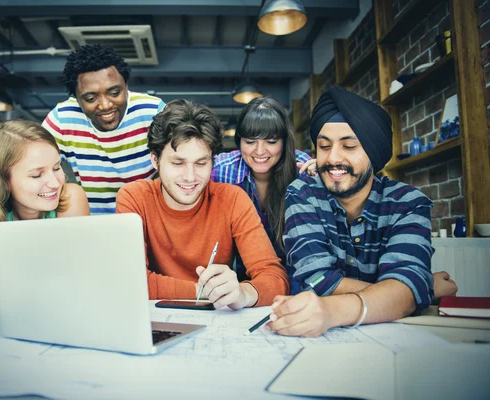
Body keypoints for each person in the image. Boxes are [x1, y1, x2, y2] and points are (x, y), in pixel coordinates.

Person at [267, 87, 457, 337]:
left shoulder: (408, 203)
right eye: (324, 146)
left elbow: (404, 287)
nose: (333, 158)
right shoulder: (302, 194)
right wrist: (412, 292)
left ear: (373, 152)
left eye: (349, 146)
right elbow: (318, 279)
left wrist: (407, 292)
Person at [116, 99, 290, 309]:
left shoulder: (232, 199)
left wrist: (243, 293)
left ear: (213, 162)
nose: (190, 177)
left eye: (201, 163)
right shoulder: (134, 198)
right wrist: (205, 292)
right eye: (178, 163)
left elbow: (275, 278)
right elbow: (131, 282)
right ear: (155, 160)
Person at [0, 120, 90, 303]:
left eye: (56, 167)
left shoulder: (71, 197)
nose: (54, 183)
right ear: (3, 180)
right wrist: (48, 290)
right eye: (37, 175)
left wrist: (15, 290)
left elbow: (77, 281)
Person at [42, 44, 165, 214]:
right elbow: (34, 167)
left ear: (126, 85)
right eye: (91, 98)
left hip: (147, 218)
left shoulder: (154, 113)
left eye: (114, 93)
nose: (106, 105)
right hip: (93, 222)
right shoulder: (61, 120)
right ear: (76, 98)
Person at [211, 96, 314, 293]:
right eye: (250, 142)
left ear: (284, 142)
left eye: (271, 141)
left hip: (296, 266)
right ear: (239, 141)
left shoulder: (301, 167)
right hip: (240, 269)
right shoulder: (221, 170)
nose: (259, 151)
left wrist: (323, 179)